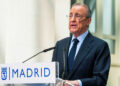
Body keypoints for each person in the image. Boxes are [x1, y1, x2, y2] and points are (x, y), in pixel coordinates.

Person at [52, 3, 111, 86]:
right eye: (70, 15)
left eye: (77, 16)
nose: (72, 19)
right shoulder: (60, 45)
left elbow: (100, 80)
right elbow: (53, 76)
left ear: (88, 21)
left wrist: (77, 83)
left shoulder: (100, 46)